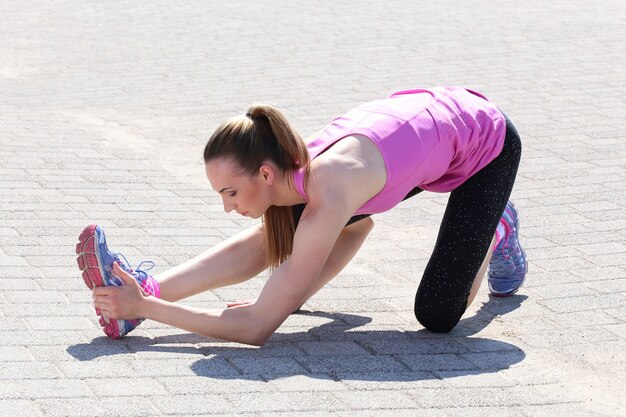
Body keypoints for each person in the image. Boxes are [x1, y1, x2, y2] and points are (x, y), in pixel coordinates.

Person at [76, 86, 527, 345]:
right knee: (275, 234)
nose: (227, 206)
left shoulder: (328, 190)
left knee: (438, 314)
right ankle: (145, 285)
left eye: (231, 192)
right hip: (420, 143)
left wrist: (149, 310)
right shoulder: (295, 170)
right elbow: (356, 229)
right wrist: (287, 294)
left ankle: (498, 225)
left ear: (266, 172)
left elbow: (255, 329)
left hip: (484, 143)